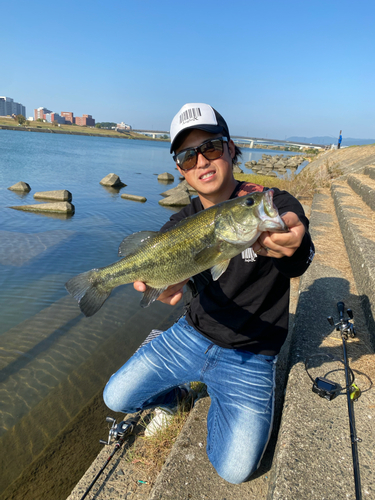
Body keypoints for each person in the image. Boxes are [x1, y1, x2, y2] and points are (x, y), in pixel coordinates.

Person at [103, 103, 315, 484]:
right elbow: (161, 278)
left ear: (231, 149)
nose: (201, 161)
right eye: (187, 156)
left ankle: (221, 395)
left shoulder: (268, 202)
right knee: (115, 397)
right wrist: (160, 286)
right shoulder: (179, 224)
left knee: (234, 470)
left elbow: (295, 250)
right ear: (181, 170)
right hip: (191, 335)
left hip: (252, 354)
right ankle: (177, 398)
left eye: (212, 148)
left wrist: (296, 243)